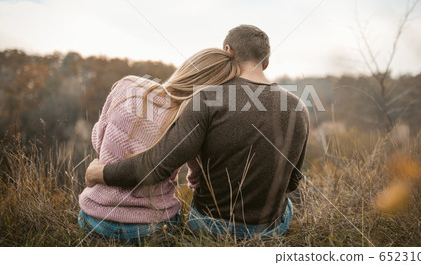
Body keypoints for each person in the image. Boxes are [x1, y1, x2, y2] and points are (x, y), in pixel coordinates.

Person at [85, 25, 310, 239]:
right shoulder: (299, 107)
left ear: (228, 51)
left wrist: (98, 173)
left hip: (209, 224)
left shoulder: (206, 99)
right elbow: (292, 183)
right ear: (266, 62)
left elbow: (158, 166)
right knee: (286, 206)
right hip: (269, 228)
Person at [78, 48, 240, 243]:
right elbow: (197, 178)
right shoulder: (192, 120)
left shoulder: (127, 85)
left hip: (95, 219)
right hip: (152, 227)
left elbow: (98, 138)